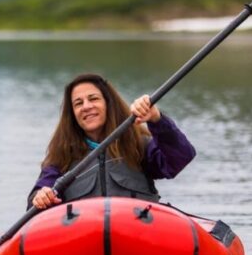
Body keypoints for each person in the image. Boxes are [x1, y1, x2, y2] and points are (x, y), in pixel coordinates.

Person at [29, 73, 196, 209]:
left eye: (93, 98)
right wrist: (41, 196)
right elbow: (35, 201)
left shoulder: (138, 144)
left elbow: (180, 158)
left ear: (108, 104)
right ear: (72, 115)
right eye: (78, 103)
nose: (86, 106)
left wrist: (156, 119)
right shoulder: (61, 156)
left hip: (138, 235)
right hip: (82, 238)